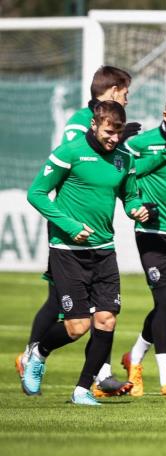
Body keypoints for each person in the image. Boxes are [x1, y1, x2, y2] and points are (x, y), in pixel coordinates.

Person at [16, 65, 137, 397]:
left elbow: (130, 192)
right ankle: (37, 353)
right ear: (94, 124)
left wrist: (135, 207)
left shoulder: (124, 158)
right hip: (68, 251)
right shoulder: (71, 149)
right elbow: (37, 192)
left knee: (107, 321)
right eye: (109, 132)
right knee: (77, 326)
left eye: (119, 133)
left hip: (105, 249)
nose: (114, 139)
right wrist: (68, 226)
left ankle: (83, 389)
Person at [119, 90, 166, 397]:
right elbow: (125, 176)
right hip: (151, 233)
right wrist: (137, 204)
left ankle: (134, 357)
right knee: (164, 302)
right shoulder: (139, 144)